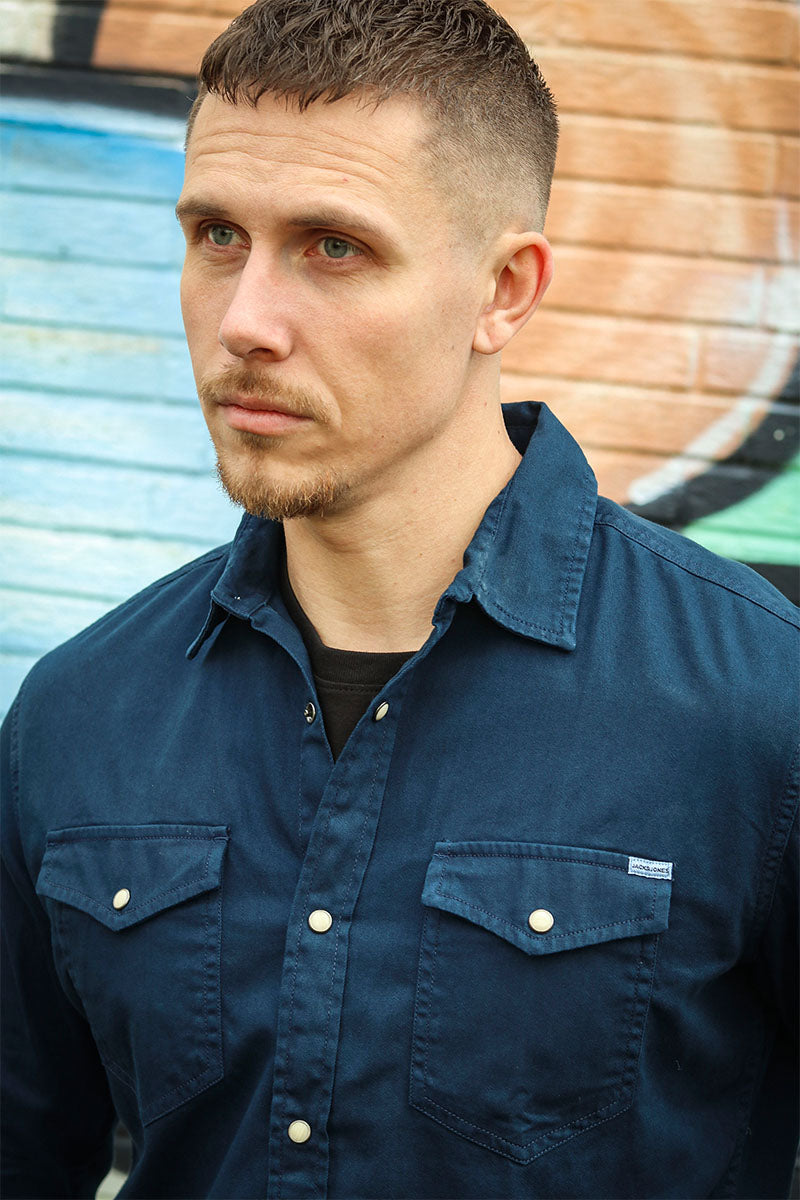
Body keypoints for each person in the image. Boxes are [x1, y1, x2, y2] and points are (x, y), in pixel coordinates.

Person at [2, 0, 798, 1196]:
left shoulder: (758, 708)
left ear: (504, 291)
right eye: (216, 235)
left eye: (333, 247)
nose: (244, 322)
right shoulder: (80, 715)